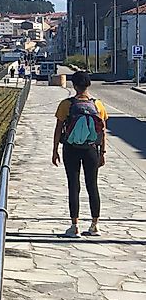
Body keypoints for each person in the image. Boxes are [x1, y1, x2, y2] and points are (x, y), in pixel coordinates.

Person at [52, 71, 108, 237]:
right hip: (92, 150)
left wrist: (54, 149)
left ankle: (74, 226)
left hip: (71, 149)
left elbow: (58, 128)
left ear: (74, 86)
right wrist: (103, 152)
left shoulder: (66, 105)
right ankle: (94, 225)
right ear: (88, 85)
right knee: (93, 186)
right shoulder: (98, 105)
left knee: (73, 186)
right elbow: (103, 131)